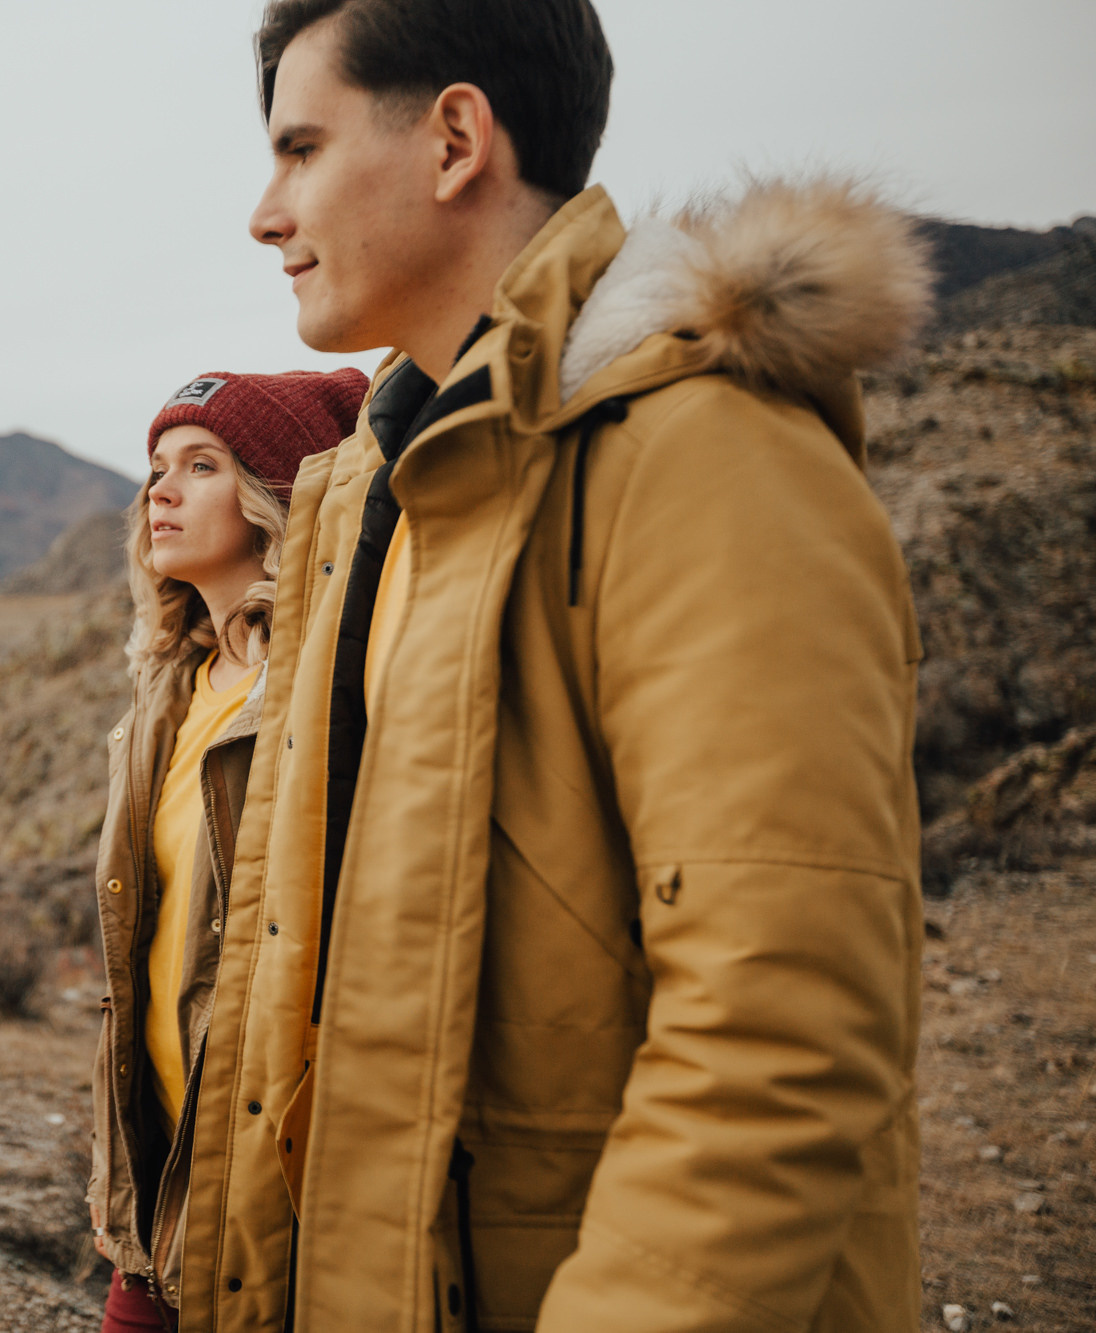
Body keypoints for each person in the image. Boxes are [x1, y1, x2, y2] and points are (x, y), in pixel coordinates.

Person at [179, 2, 937, 1330]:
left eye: (301, 149)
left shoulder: (708, 461)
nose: (265, 211)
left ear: (458, 139)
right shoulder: (365, 493)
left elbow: (777, 1036)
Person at [89, 368, 368, 1332]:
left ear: (269, 499)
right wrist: (116, 1181)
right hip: (156, 1199)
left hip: (271, 1204)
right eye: (156, 468)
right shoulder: (168, 695)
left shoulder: (321, 686)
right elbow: (142, 971)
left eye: (200, 466)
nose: (158, 490)